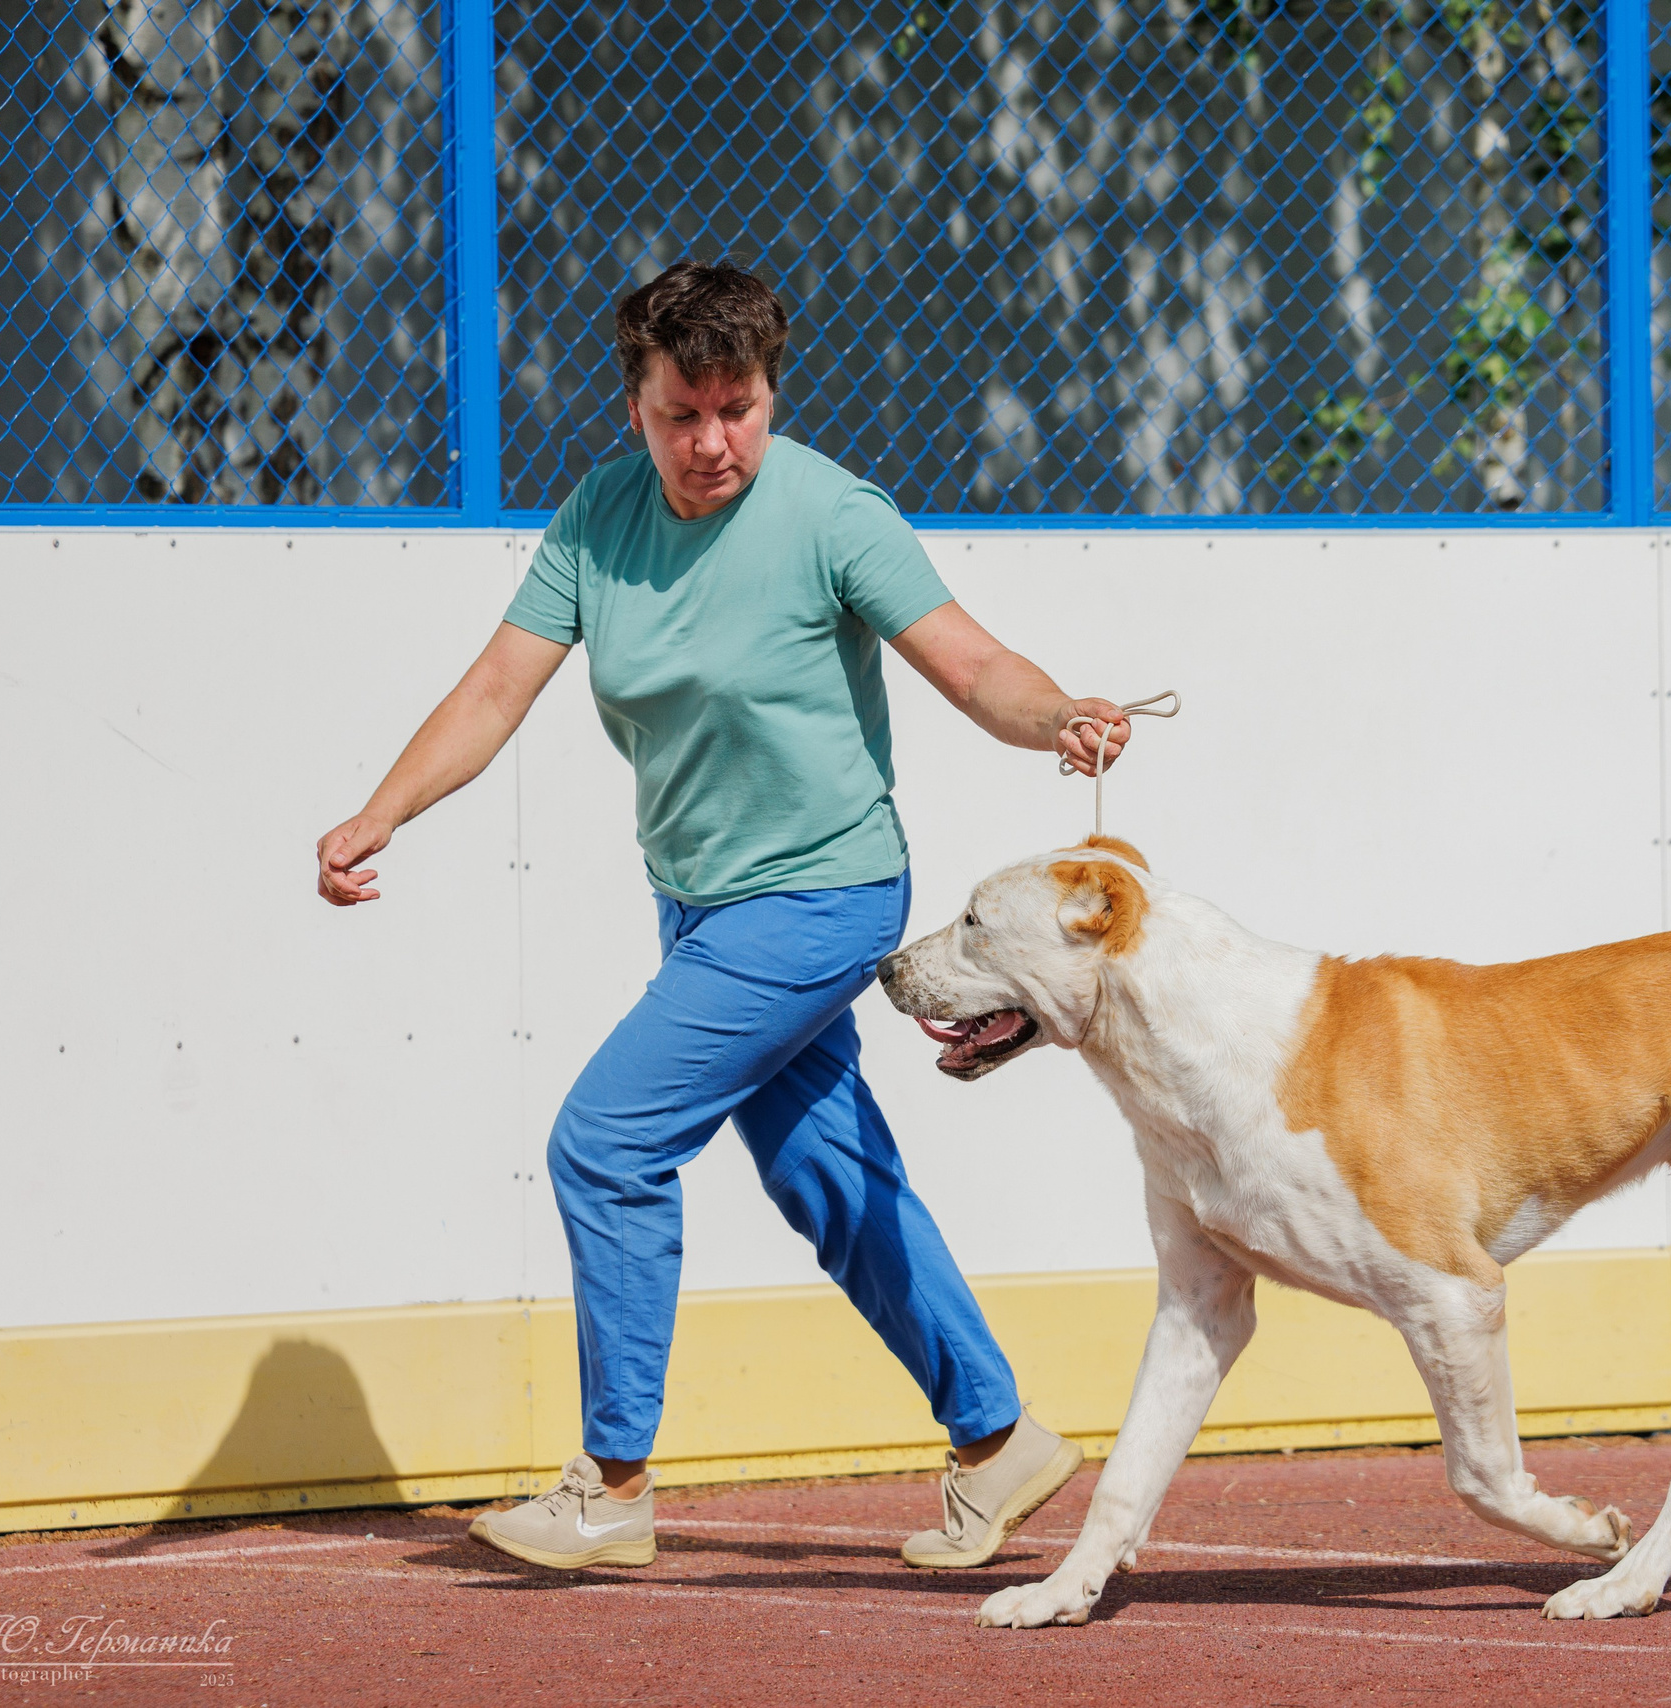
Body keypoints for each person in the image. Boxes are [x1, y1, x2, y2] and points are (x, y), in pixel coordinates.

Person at [315, 259, 1130, 1573]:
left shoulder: (829, 513)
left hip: (823, 895)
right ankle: (997, 1436)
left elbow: (972, 663)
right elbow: (489, 694)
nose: (712, 443)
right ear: (633, 406)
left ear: (769, 393)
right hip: (696, 908)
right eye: (681, 413)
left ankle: (611, 1484)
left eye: (737, 408)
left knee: (605, 1142)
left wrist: (1061, 718)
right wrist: (380, 813)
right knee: (827, 1175)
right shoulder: (596, 522)